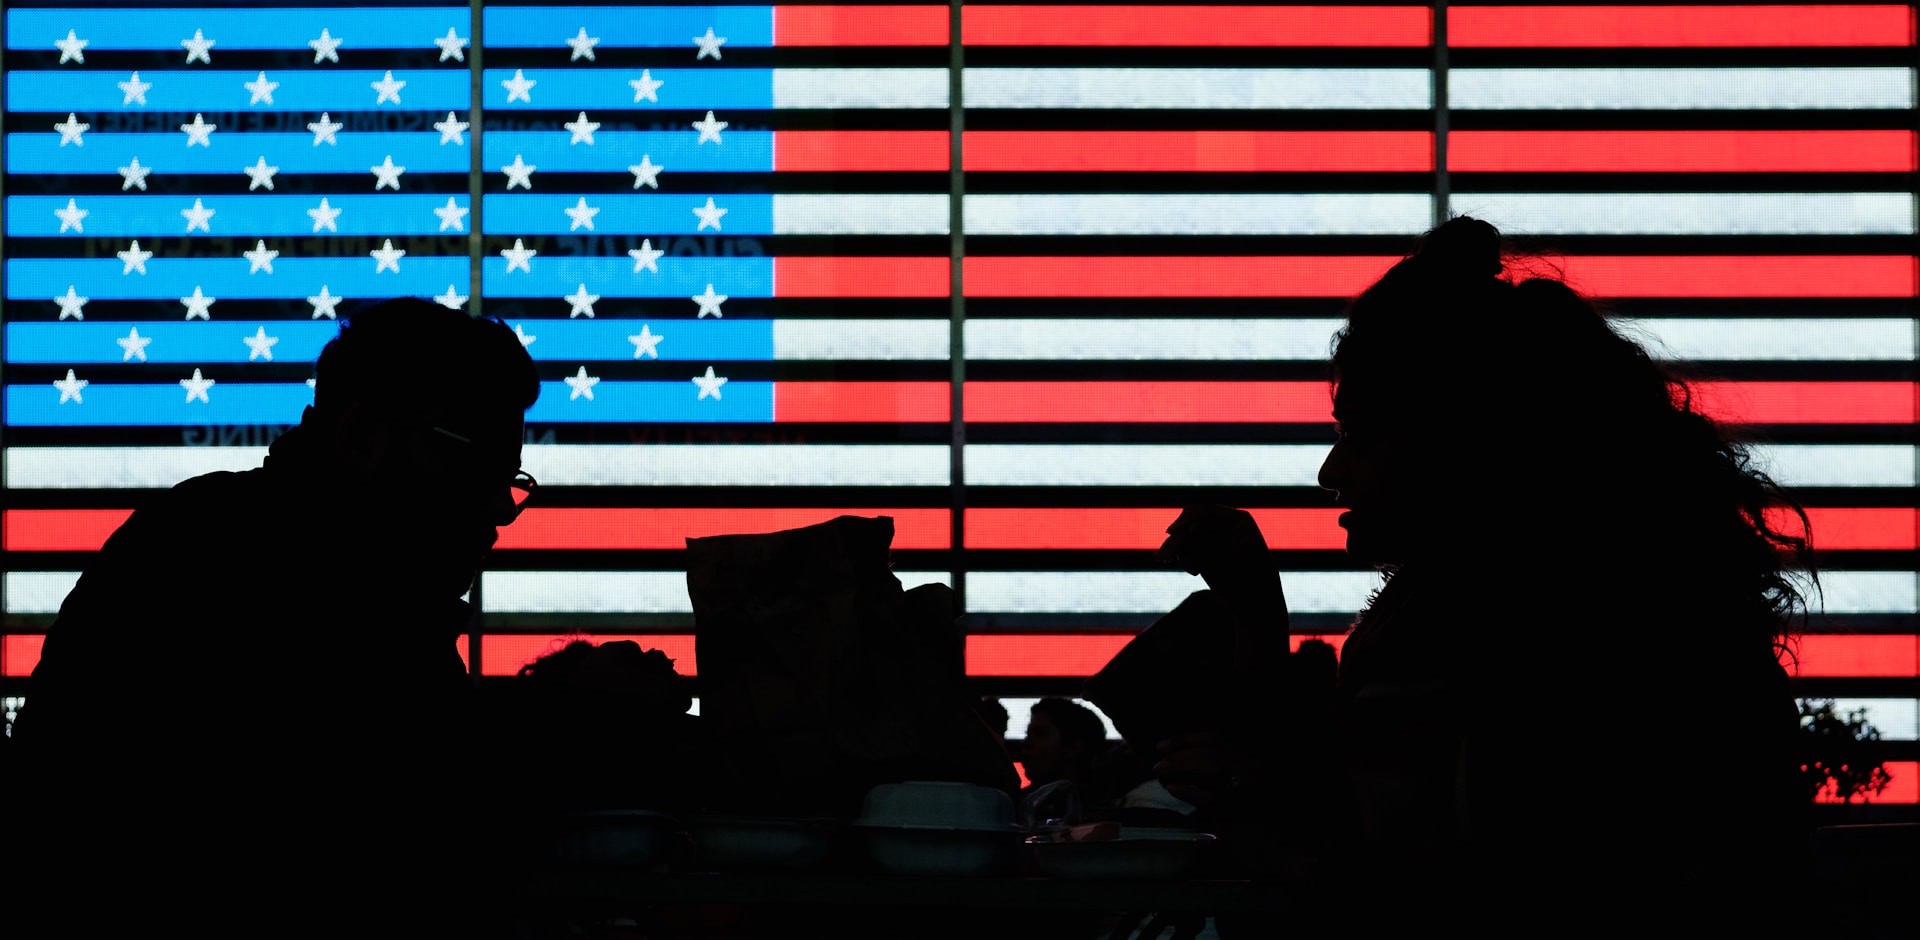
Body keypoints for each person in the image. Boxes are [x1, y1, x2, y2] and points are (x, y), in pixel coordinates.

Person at [1158, 218, 1810, 928]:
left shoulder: (1535, 655)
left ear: (1463, 443)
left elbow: (1438, 891)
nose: (1331, 472)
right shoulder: (1613, 621)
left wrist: (1266, 816)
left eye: (1360, 436)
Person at [9, 298, 540, 934]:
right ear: (363, 438)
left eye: (506, 479)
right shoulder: (329, 603)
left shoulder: (227, 546)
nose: (496, 511)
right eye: (476, 466)